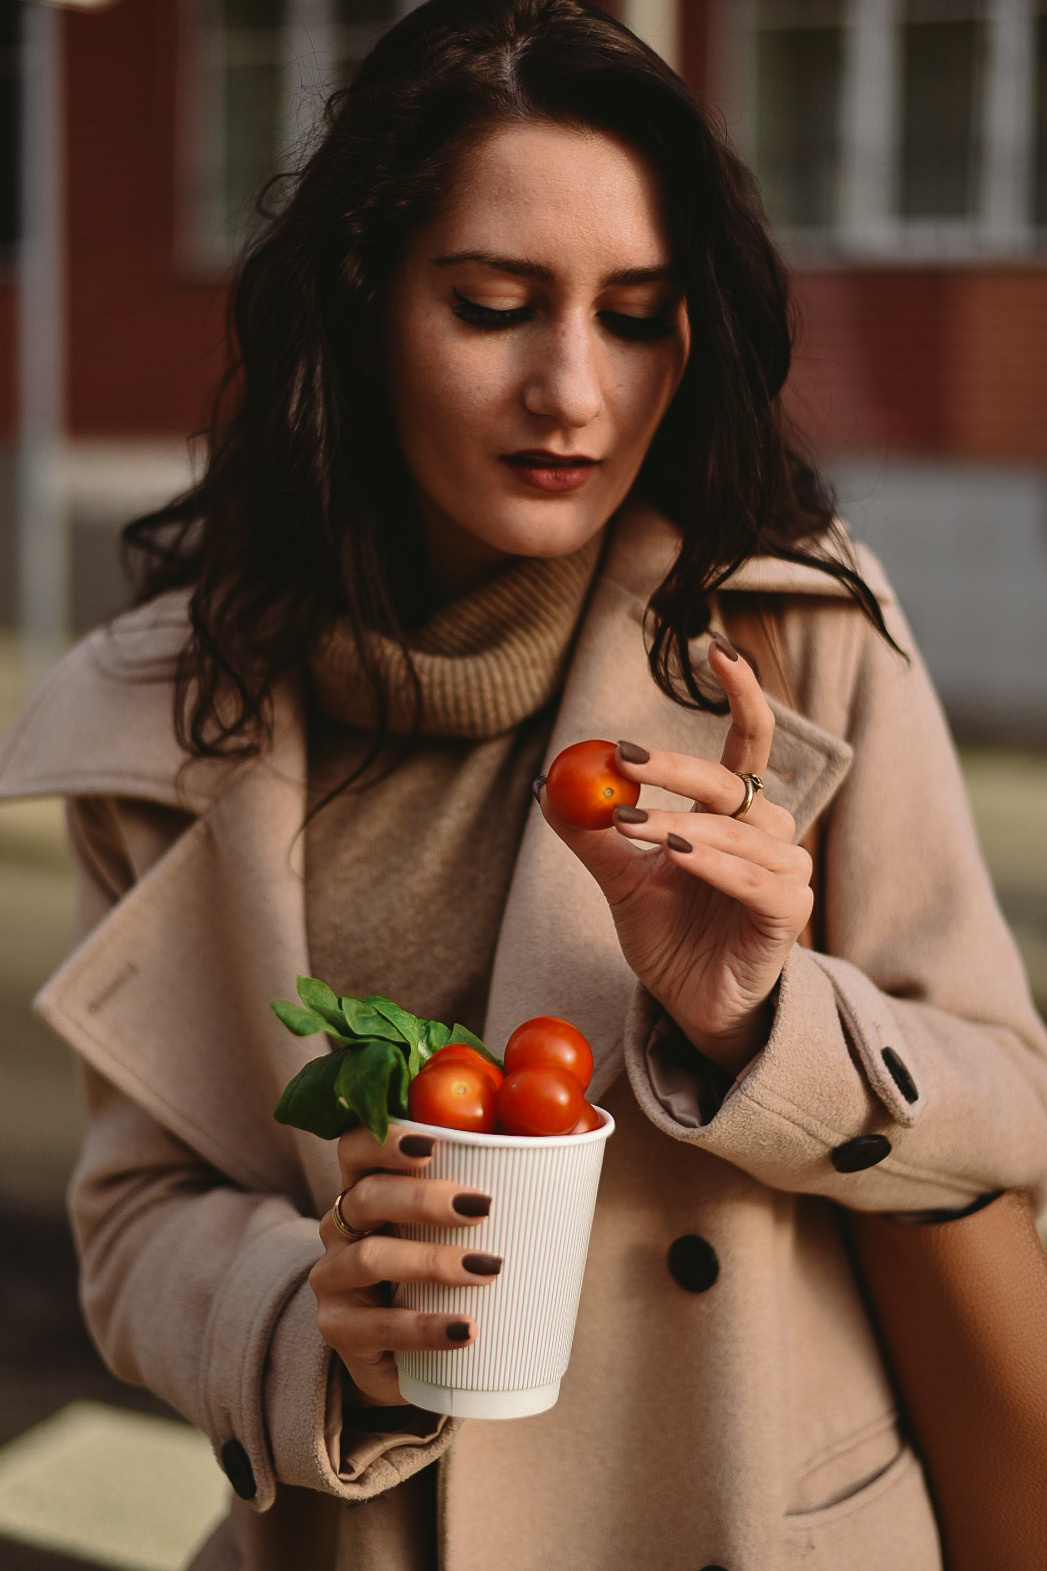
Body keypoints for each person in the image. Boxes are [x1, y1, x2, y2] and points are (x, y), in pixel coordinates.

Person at [2, 2, 1045, 1567]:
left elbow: (1008, 1109)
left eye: (636, 314)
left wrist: (764, 1021)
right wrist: (309, 1317)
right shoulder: (173, 708)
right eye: (495, 306)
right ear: (362, 311)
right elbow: (138, 1215)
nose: (575, 390)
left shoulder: (787, 632)